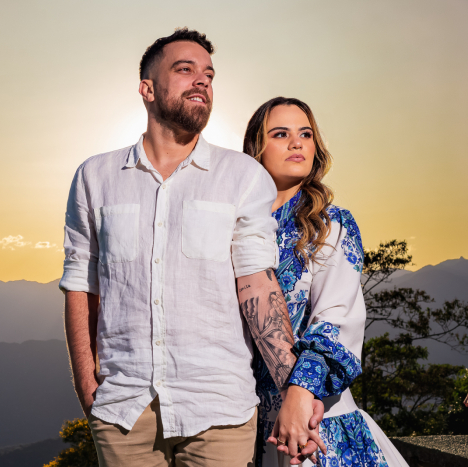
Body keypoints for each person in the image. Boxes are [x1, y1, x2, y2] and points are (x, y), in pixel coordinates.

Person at [59, 28, 325, 467]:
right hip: (124, 412)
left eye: (209, 74)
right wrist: (88, 386)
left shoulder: (242, 176)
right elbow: (80, 285)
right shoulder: (94, 177)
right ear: (147, 88)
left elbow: (258, 286)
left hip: (220, 412)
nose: (201, 80)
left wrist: (293, 387)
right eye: (185, 70)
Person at [243, 97, 409, 467]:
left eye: (305, 134)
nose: (297, 142)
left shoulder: (330, 224)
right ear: (256, 148)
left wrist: (301, 394)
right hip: (245, 427)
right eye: (280, 134)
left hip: (319, 420)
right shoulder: (236, 228)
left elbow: (335, 317)